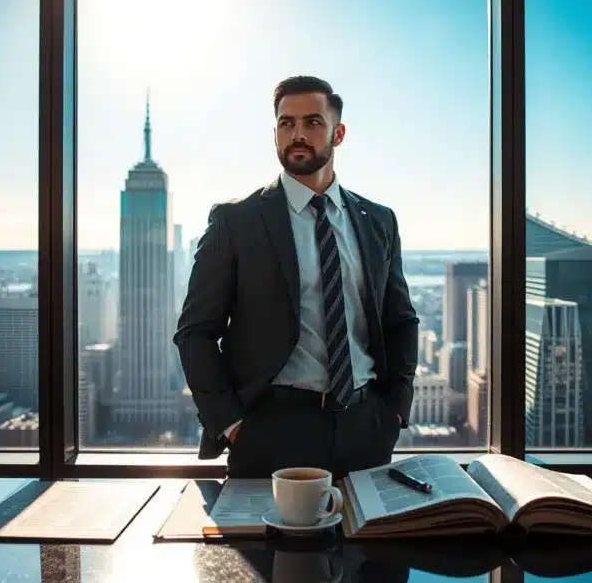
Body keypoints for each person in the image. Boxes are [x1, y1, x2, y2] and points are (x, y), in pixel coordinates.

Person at [173, 75, 419, 479]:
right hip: (271, 430)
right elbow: (195, 333)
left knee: (369, 541)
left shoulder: (378, 221)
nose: (298, 134)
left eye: (313, 123)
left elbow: (400, 319)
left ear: (338, 134)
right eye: (287, 124)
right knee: (266, 544)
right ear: (275, 135)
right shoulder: (236, 222)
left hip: (366, 427)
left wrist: (395, 409)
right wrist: (232, 425)